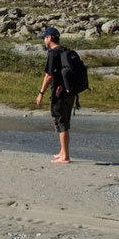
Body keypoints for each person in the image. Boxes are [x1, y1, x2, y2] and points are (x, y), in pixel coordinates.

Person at [35, 27, 72, 163]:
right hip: (70, 91)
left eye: (44, 38)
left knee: (61, 123)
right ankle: (62, 151)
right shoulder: (65, 50)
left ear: (49, 38)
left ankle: (65, 156)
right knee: (65, 121)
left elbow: (49, 75)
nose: (44, 41)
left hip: (59, 92)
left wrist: (41, 93)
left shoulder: (52, 53)